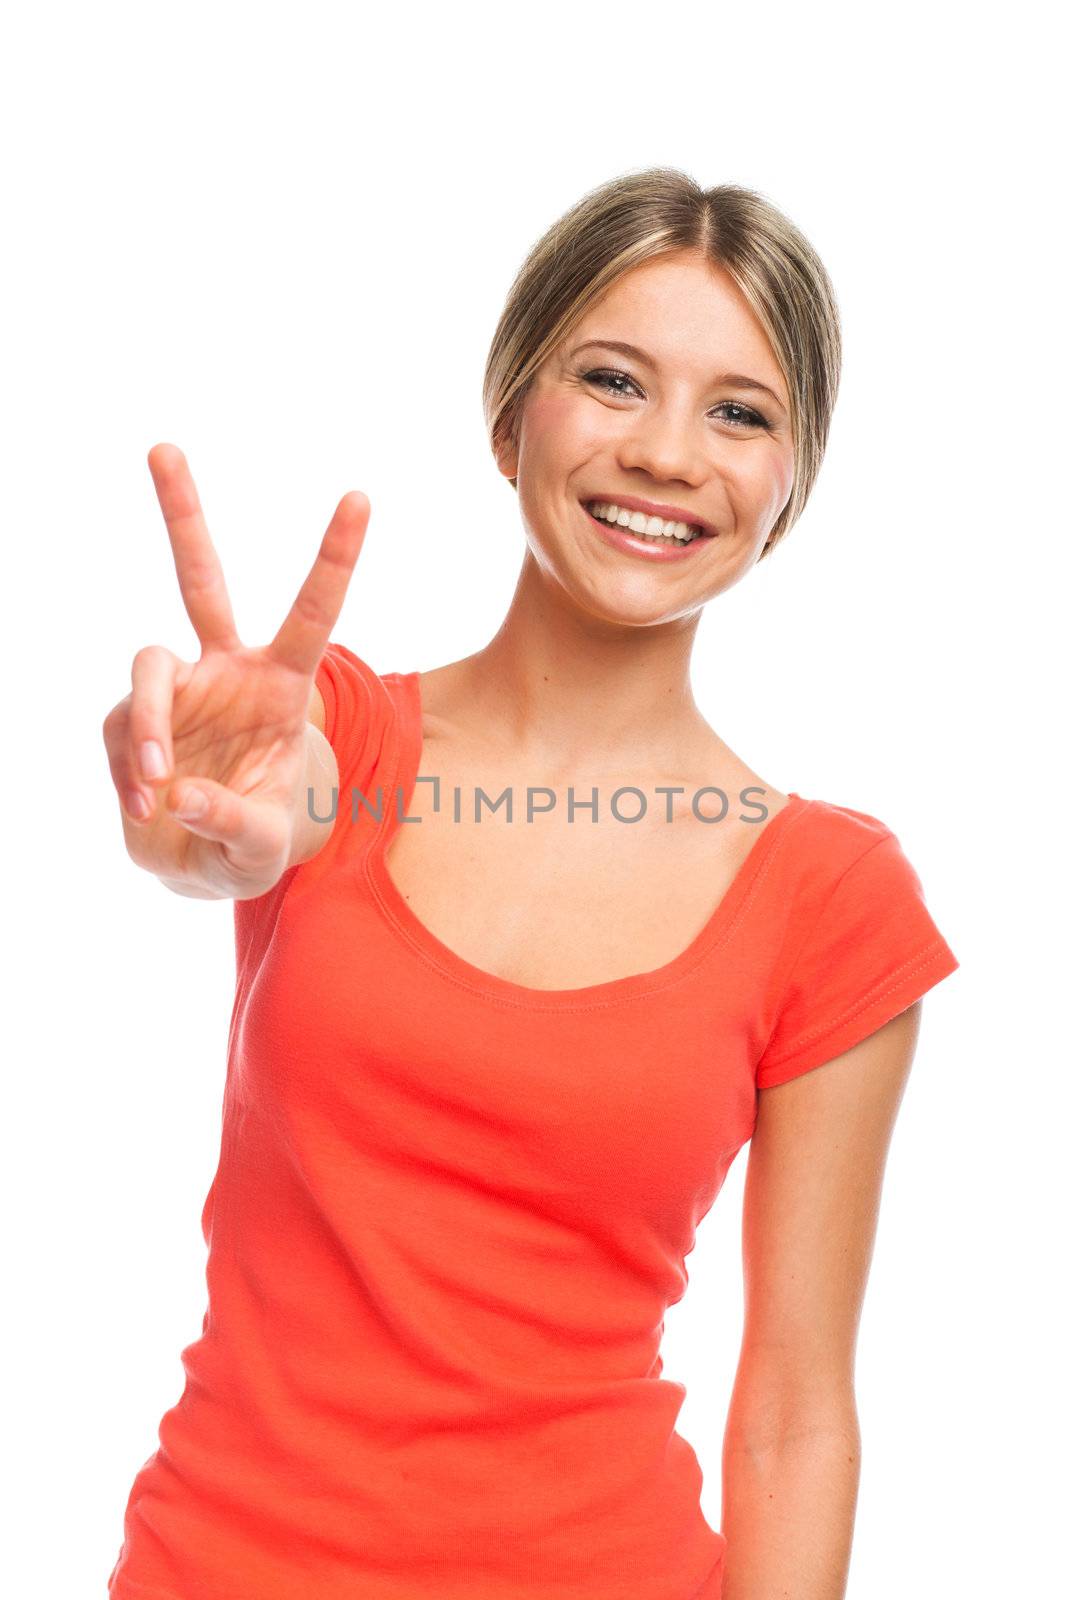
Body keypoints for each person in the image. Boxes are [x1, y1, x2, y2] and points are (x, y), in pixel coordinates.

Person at [102, 168, 960, 1600]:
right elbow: (232, 820)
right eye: (614, 380)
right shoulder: (336, 740)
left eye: (740, 411)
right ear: (511, 418)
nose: (671, 453)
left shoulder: (834, 898)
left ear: (791, 487)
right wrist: (185, 805)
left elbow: (795, 1420)